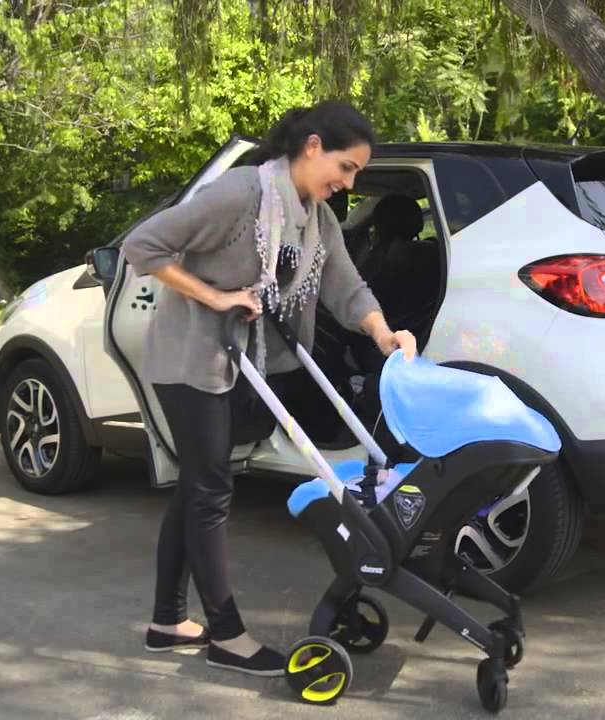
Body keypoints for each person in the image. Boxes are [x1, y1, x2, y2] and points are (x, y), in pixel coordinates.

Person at [121, 100, 417, 677]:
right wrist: (214, 297)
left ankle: (167, 622)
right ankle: (226, 636)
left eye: (356, 172)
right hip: (190, 359)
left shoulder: (314, 215)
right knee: (209, 491)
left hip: (241, 361)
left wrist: (382, 331)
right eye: (346, 167)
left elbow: (345, 285)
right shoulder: (240, 196)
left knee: (197, 489)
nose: (348, 182)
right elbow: (142, 246)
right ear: (311, 146)